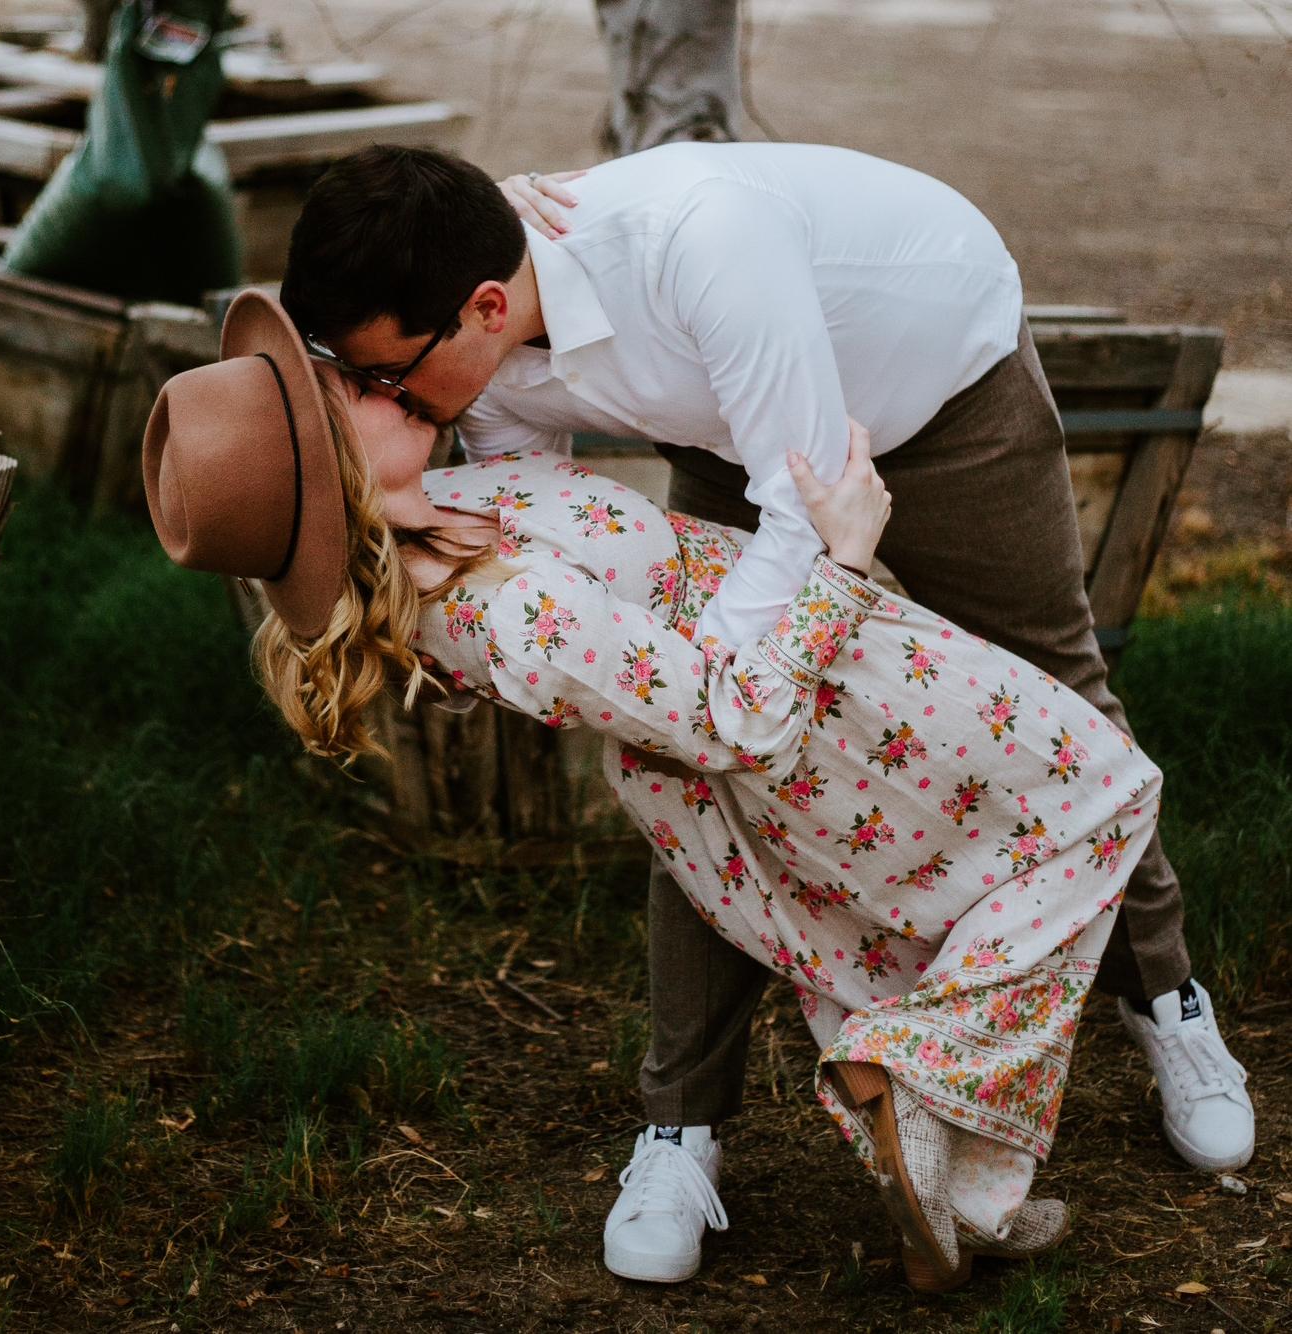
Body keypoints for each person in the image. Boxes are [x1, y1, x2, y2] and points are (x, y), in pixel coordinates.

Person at [274, 142, 1254, 1283]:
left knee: (1054, 680)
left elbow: (803, 511)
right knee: (701, 777)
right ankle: (680, 1131)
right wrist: (700, 717)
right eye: (362, 379)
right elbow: (540, 503)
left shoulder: (703, 242)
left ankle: (1166, 1003)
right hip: (738, 438)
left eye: (389, 376)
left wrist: (725, 704)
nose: (387, 398)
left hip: (935, 397)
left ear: (487, 306)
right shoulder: (457, 334)